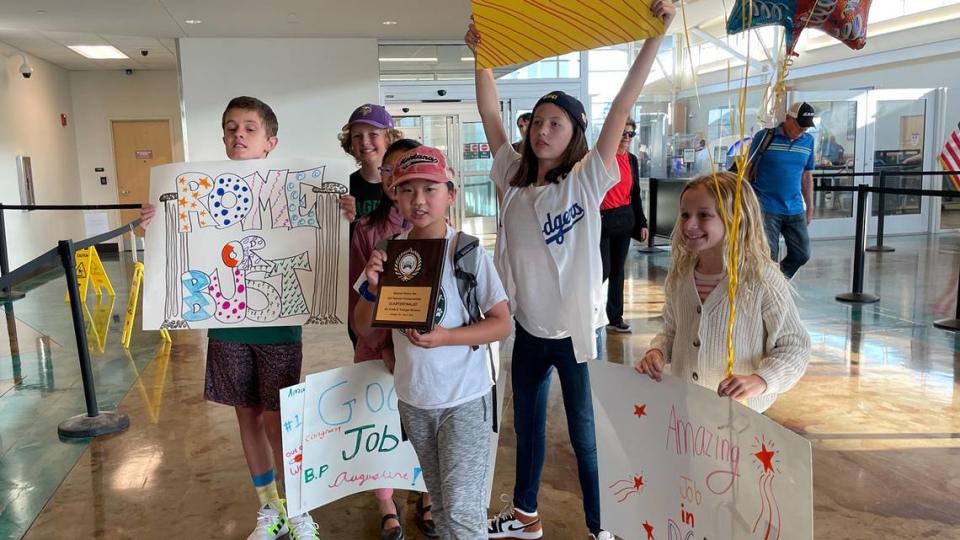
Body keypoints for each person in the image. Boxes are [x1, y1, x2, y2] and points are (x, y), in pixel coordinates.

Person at [466, 2, 676, 538]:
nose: (542, 130)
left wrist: (655, 36)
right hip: (529, 331)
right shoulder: (511, 175)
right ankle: (525, 518)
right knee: (528, 429)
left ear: (575, 131)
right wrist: (480, 56)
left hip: (578, 335)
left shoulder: (586, 179)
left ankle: (601, 527)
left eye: (555, 123)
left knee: (586, 434)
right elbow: (490, 116)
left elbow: (624, 101)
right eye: (537, 121)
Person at [142, 96, 347, 540]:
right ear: (223, 136)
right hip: (228, 325)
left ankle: (297, 509)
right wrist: (155, 224)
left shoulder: (290, 190)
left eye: (250, 128)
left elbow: (325, 235)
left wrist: (343, 215)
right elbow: (183, 244)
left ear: (270, 141)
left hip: (279, 327)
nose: (239, 135)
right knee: (247, 416)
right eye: (232, 127)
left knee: (279, 419)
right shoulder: (201, 192)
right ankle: (268, 508)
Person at [353, 145, 512, 539]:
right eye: (407, 190)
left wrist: (447, 338)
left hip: (464, 398)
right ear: (394, 193)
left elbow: (501, 324)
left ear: (450, 194)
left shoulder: (468, 252)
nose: (419, 200)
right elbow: (362, 326)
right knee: (441, 506)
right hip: (415, 399)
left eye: (430, 189)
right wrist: (372, 289)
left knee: (462, 513)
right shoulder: (390, 252)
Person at [634, 172, 810, 412]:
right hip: (687, 409)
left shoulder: (762, 280)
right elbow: (673, 330)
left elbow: (794, 346)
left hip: (740, 416)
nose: (689, 225)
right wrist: (658, 351)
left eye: (704, 215)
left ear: (735, 219)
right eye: (685, 215)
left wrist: (761, 381)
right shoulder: (681, 277)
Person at [348, 138, 438, 540]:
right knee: (379, 425)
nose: (400, 181)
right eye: (391, 171)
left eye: (412, 174)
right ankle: (385, 501)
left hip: (420, 350)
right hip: (375, 347)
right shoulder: (367, 231)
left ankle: (425, 491)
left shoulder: (438, 233)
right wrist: (381, 346)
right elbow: (359, 299)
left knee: (422, 423)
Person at [339, 104, 404, 347]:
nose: (365, 141)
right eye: (357, 136)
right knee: (365, 346)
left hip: (399, 287)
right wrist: (346, 220)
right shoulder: (341, 186)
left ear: (389, 138)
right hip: (359, 288)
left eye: (373, 134)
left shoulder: (404, 187)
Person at [745, 101, 816, 279]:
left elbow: (807, 176)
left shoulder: (808, 141)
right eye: (800, 126)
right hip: (766, 207)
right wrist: (743, 202)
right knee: (769, 257)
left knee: (802, 253)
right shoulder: (764, 137)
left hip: (795, 208)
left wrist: (810, 207)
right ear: (787, 119)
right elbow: (747, 168)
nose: (802, 131)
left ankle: (778, 283)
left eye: (806, 128)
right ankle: (769, 293)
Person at [600, 117, 649, 334]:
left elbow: (635, 193)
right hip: (601, 220)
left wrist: (642, 223)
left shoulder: (631, 160)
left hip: (624, 218)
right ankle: (587, 312)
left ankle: (615, 317)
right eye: (623, 133)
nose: (626, 138)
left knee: (618, 270)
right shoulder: (601, 158)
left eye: (630, 134)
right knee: (603, 269)